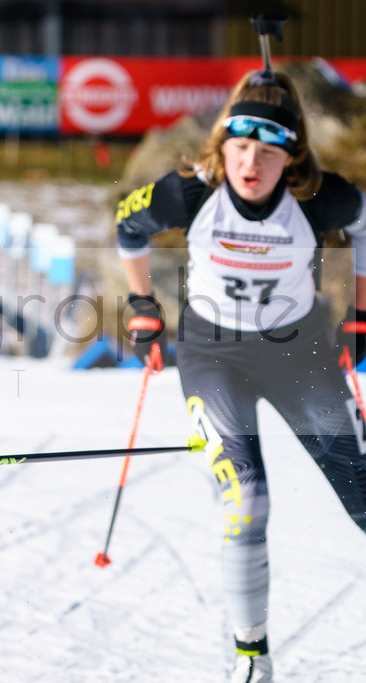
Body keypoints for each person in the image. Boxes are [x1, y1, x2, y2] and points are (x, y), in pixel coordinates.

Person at [115, 68, 366, 683]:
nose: (251, 162)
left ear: (291, 157)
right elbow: (127, 224)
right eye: (240, 145)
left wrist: (361, 309)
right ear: (222, 145)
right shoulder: (190, 193)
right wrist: (142, 305)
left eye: (268, 150)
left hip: (299, 355)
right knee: (247, 502)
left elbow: (364, 226)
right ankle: (252, 656)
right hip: (214, 356)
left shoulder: (319, 198)